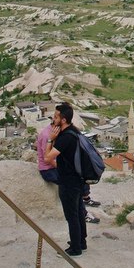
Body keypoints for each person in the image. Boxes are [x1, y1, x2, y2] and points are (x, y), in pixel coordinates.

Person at [42, 103, 87, 256]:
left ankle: (75, 248)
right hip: (77, 178)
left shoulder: (65, 137)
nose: (53, 119)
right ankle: (81, 241)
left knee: (71, 214)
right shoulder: (74, 131)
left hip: (68, 180)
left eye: (56, 117)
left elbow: (47, 157)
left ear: (63, 119)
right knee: (79, 210)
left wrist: (50, 139)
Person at [36, 115, 99, 223]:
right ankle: (83, 214)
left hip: (55, 166)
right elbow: (48, 160)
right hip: (48, 170)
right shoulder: (48, 135)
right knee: (73, 183)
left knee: (80, 174)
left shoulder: (57, 132)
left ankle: (86, 197)